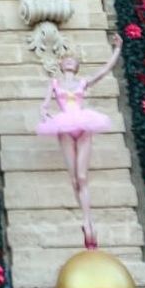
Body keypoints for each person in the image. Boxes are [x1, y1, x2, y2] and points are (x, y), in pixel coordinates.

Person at [38, 36, 124, 249]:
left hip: (83, 124)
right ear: (61, 64)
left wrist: (117, 49)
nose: (69, 61)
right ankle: (84, 219)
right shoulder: (55, 83)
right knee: (74, 179)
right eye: (65, 59)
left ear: (77, 65)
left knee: (83, 177)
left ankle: (88, 220)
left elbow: (104, 71)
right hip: (64, 127)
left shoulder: (82, 82)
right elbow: (44, 106)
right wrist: (45, 114)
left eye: (72, 60)